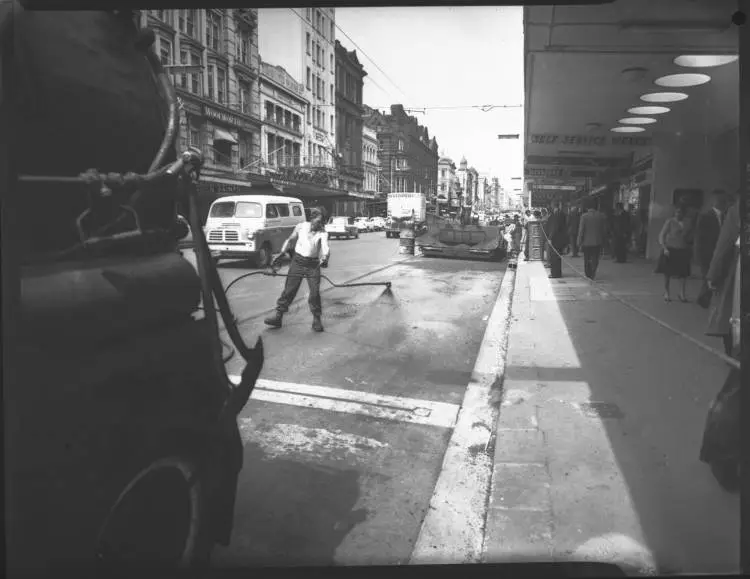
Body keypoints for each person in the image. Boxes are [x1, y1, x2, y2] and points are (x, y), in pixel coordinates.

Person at [264, 206, 330, 332]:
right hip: (298, 262)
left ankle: (317, 319)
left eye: (322, 222)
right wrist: (281, 253)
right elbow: (290, 240)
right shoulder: (301, 226)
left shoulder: (323, 233)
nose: (320, 224)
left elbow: (325, 248)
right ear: (313, 218)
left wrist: (325, 258)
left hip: (313, 265)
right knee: (289, 290)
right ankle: (278, 317)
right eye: (318, 221)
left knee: (315, 292)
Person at [705, 197, 740, 356]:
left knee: (731, 313)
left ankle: (735, 354)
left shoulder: (738, 210)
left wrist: (713, 275)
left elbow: (724, 246)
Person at [694, 189, 729, 309]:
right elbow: (699, 238)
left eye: (723, 200)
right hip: (707, 254)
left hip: (719, 253)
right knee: (708, 277)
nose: (722, 202)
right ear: (714, 200)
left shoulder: (726, 216)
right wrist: (700, 255)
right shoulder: (705, 216)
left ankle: (705, 299)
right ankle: (704, 299)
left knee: (712, 278)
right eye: (720, 199)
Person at [656, 205, 692, 302]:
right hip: (670, 249)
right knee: (667, 272)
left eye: (681, 212)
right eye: (677, 212)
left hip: (683, 249)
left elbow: (690, 236)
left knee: (683, 273)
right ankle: (667, 292)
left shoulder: (687, 222)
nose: (678, 214)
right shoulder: (670, 222)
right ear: (674, 213)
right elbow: (661, 235)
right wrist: (664, 248)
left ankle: (682, 293)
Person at [577, 200, 607, 280]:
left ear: (587, 207)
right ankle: (593, 272)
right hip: (597, 241)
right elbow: (604, 230)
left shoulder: (584, 216)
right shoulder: (601, 216)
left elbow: (581, 230)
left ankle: (588, 274)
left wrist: (579, 241)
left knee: (587, 258)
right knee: (595, 258)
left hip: (586, 242)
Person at [545, 202, 568, 278]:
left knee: (554, 257)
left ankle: (555, 274)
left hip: (556, 239)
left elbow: (554, 227)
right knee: (557, 257)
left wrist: (550, 238)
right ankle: (557, 273)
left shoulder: (556, 214)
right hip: (560, 239)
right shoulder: (561, 214)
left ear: (553, 206)